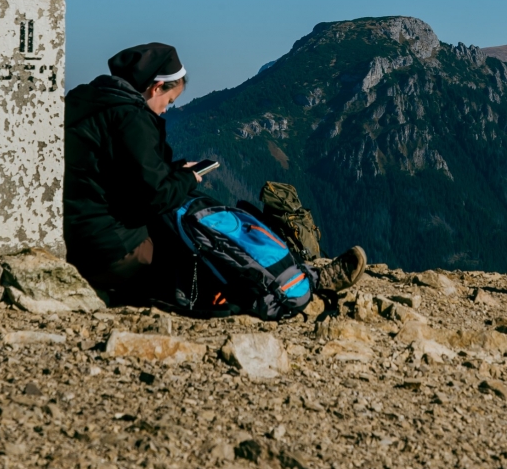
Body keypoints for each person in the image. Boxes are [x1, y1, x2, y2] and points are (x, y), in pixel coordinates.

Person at [63, 42, 367, 310]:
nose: (166, 111)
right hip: (116, 251)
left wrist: (174, 171)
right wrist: (189, 179)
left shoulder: (88, 102)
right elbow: (154, 196)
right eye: (168, 102)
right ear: (156, 88)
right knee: (205, 240)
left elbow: (119, 174)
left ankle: (298, 272)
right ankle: (304, 281)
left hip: (78, 241)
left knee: (189, 215)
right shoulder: (131, 118)